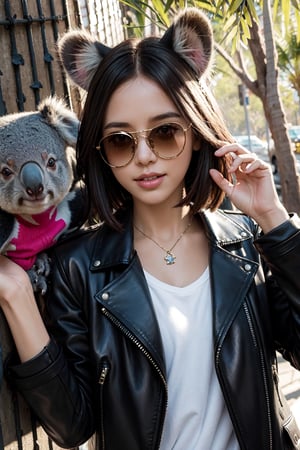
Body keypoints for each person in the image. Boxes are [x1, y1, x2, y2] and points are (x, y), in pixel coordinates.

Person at [0, 7, 300, 450]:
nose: (144, 157)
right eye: (121, 140)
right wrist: (15, 294)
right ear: (100, 148)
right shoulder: (76, 266)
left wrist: (275, 222)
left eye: (165, 134)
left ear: (195, 132)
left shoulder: (247, 243)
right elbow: (72, 425)